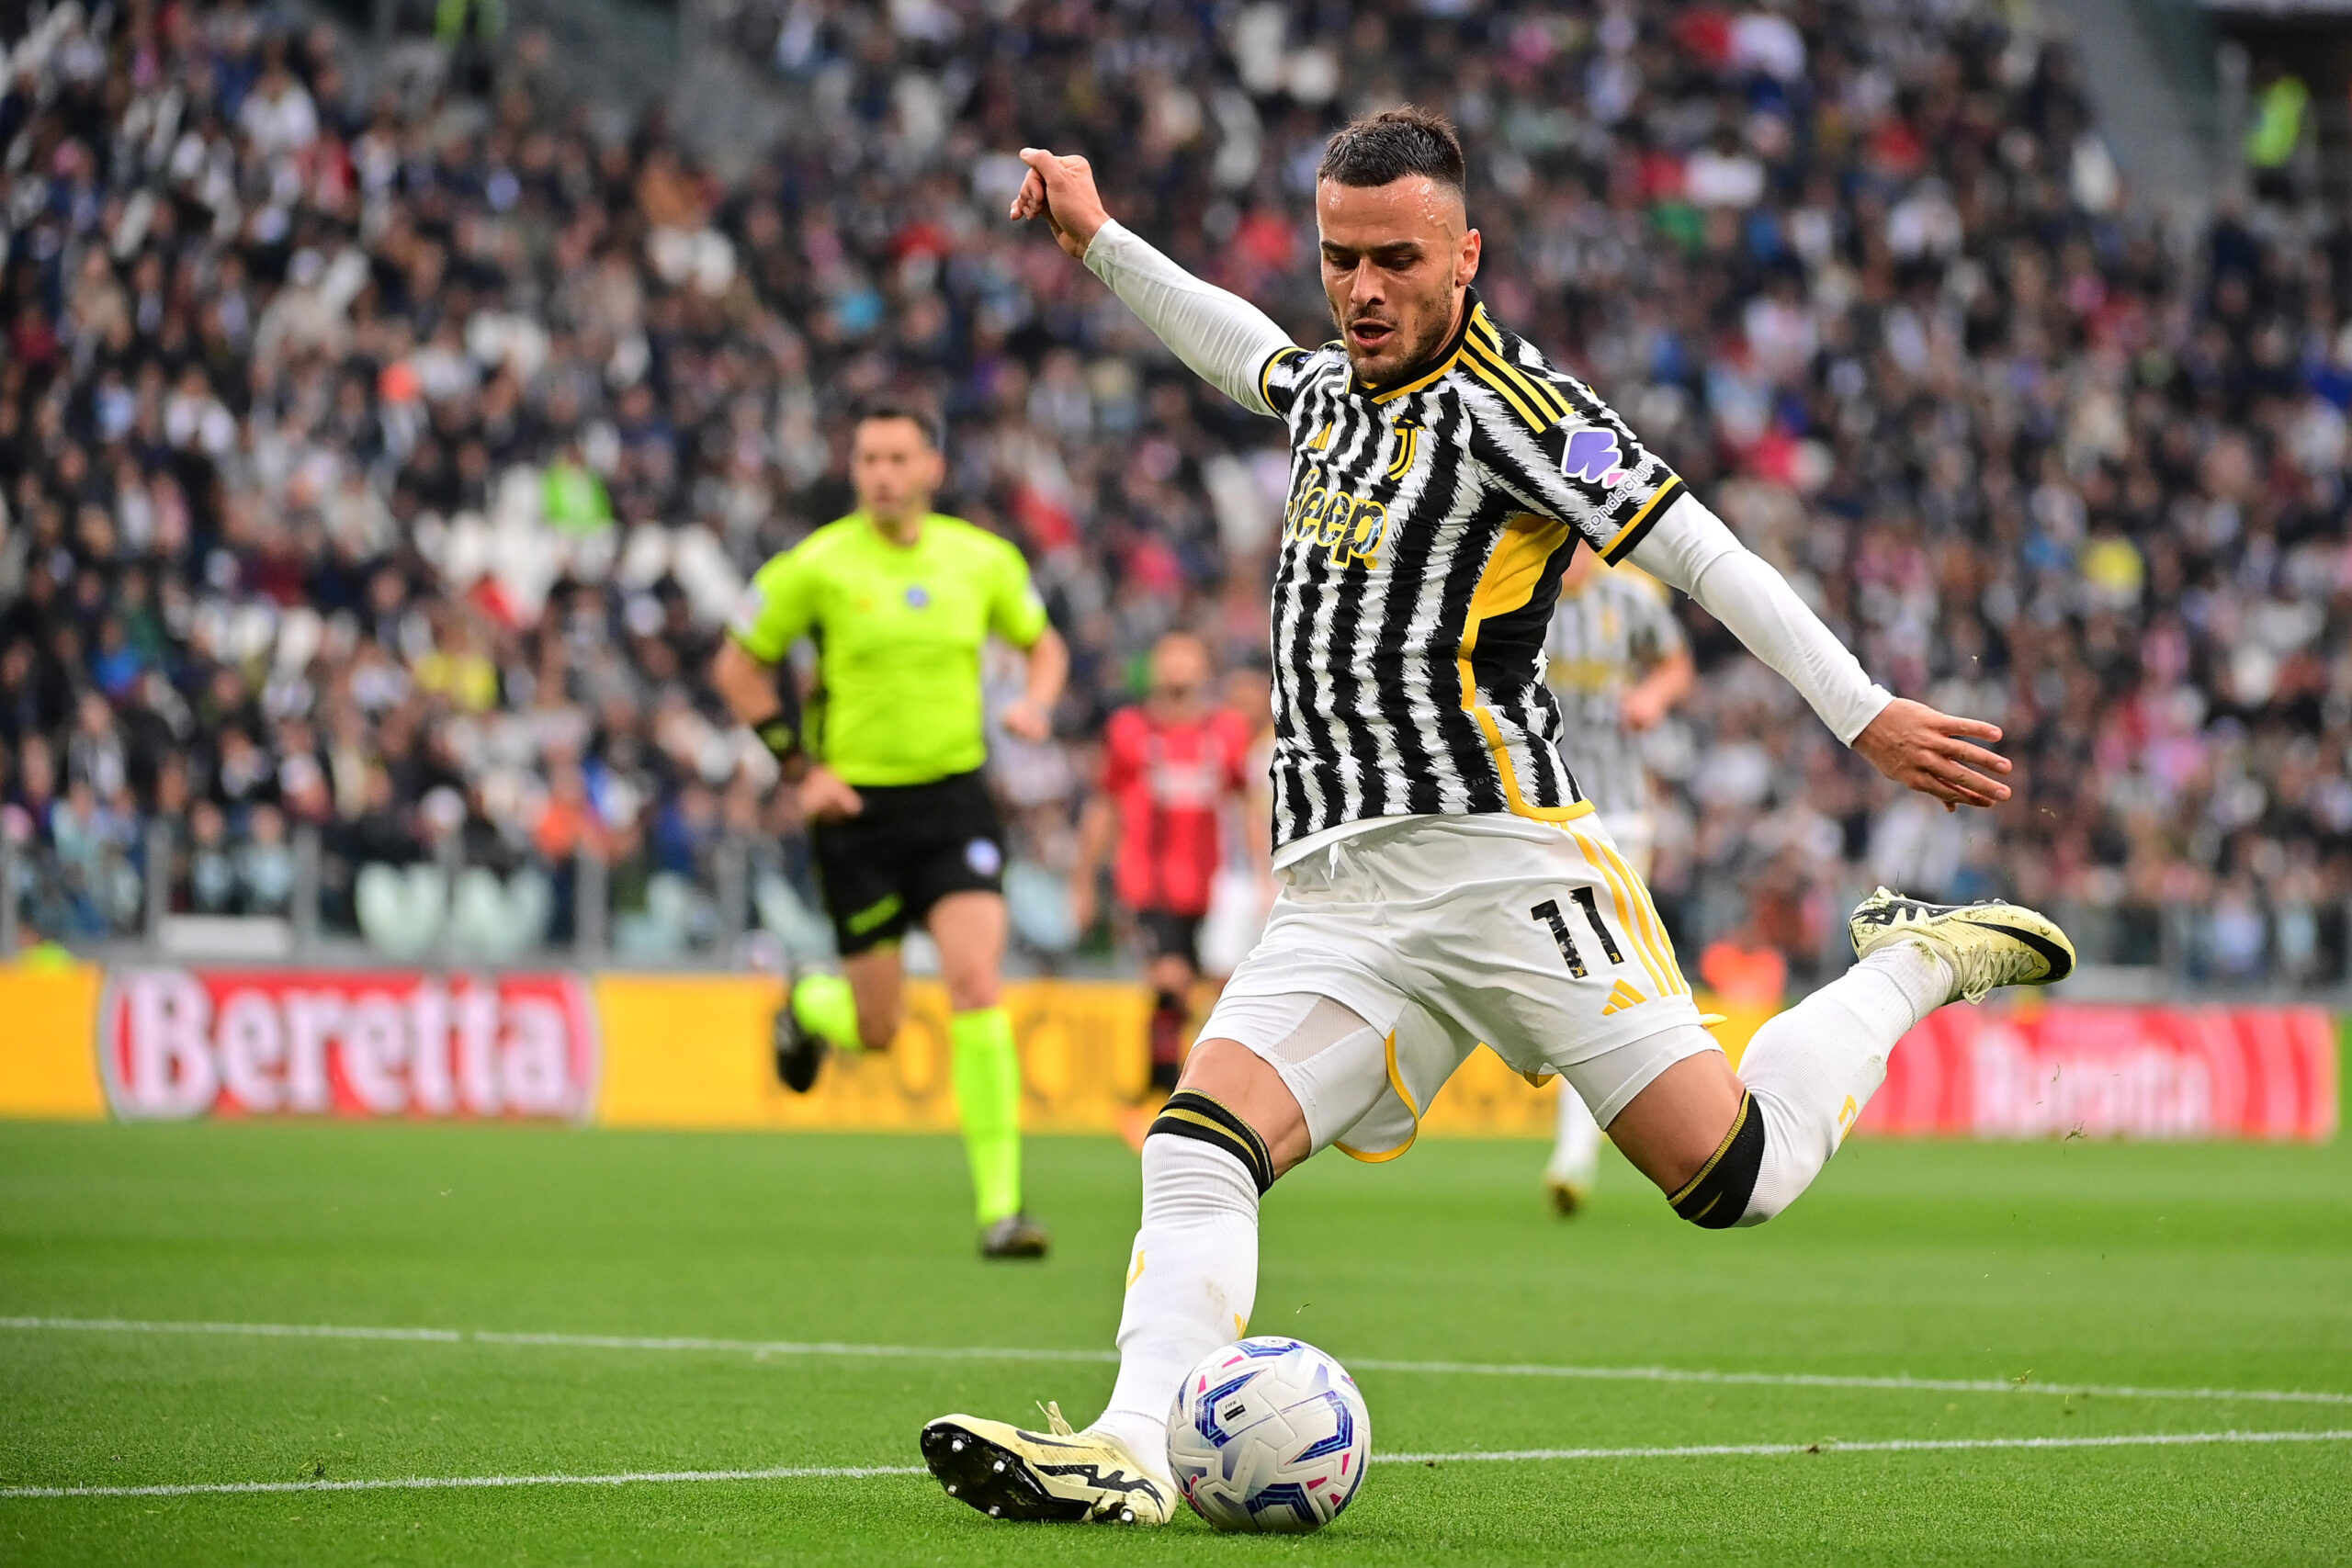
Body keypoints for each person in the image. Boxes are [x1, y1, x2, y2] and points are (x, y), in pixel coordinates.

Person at [919, 109, 2073, 1523]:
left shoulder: (1526, 414)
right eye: (1342, 257)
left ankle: (1916, 959)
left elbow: (1704, 555)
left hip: (1505, 864)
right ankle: (1132, 1449)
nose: (1363, 289)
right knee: (1195, 1141)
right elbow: (1236, 345)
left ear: (1466, 255)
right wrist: (1099, 242)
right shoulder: (1330, 390)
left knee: (1736, 1176)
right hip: (1340, 891)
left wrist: (1863, 708)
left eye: (1397, 259)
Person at [711, 402, 1069, 1261]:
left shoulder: (981, 559)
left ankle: (1002, 1209)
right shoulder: (817, 566)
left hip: (953, 802)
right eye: (868, 457)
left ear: (930, 469)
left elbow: (1042, 643)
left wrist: (1036, 703)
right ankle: (807, 1000)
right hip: (856, 813)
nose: (882, 473)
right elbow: (738, 665)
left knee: (977, 981)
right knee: (878, 1028)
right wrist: (800, 770)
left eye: (898, 457)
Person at [1538, 547, 1693, 1215]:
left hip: (1621, 816)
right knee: (1576, 973)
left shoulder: (1630, 599)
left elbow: (1675, 661)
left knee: (1596, 973)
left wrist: (1651, 697)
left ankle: (1577, 1149)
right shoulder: (1520, 592)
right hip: (1542, 813)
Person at [1070, 632, 1259, 1135]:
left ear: (1203, 669)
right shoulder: (1129, 731)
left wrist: (1265, 875)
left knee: (1220, 994)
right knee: (1170, 980)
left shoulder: (1226, 732)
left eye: (1187, 657)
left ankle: (1202, 1095)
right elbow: (1104, 808)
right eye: (1168, 658)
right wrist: (1083, 881)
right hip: (1149, 886)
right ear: (1153, 669)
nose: (1178, 668)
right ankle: (1159, 1096)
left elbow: (1246, 806)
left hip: (1213, 887)